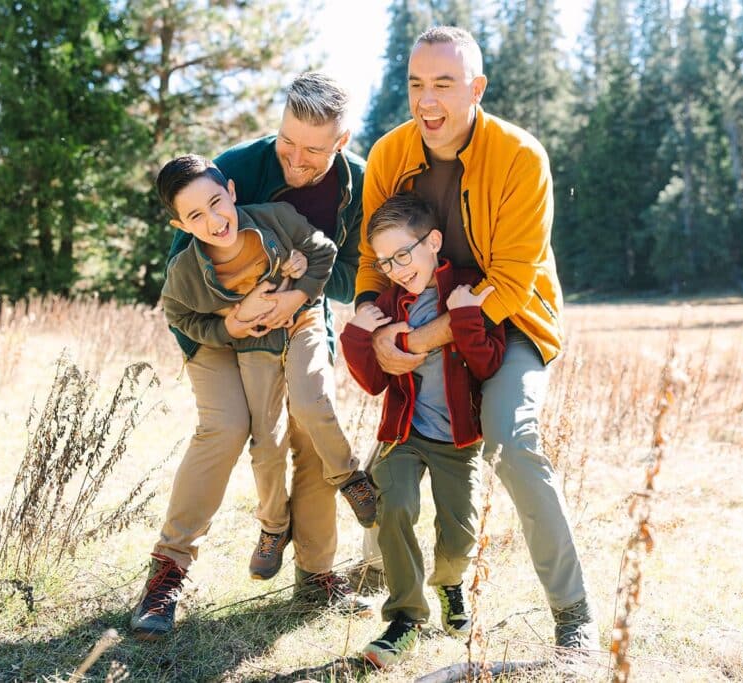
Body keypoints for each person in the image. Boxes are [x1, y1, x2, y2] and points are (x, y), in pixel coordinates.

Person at [356, 27, 600, 653]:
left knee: (513, 446)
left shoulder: (520, 157)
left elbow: (513, 283)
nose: (427, 101)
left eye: (444, 84)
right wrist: (373, 324)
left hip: (509, 323)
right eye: (416, 84)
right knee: (402, 447)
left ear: (477, 88)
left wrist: (422, 339)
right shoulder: (388, 155)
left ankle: (574, 620)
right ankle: (402, 595)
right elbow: (368, 258)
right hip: (418, 321)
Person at [130, 73, 370, 641]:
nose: (295, 158)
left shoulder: (356, 184)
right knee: (226, 427)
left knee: (311, 426)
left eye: (313, 149)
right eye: (287, 141)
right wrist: (229, 323)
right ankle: (167, 572)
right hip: (214, 324)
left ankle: (316, 571)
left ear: (343, 139)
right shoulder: (235, 167)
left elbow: (351, 268)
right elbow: (183, 271)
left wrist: (294, 296)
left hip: (296, 312)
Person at [157, 153, 376, 560]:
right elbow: (178, 313)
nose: (214, 220)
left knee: (313, 403)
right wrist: (228, 329)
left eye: (217, 203)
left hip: (301, 323)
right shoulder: (187, 270)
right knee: (267, 442)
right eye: (196, 216)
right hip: (253, 346)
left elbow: (324, 251)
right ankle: (274, 525)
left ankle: (350, 477)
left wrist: (300, 285)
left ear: (232, 191)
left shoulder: (275, 218)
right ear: (181, 227)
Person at [341, 193, 505, 667]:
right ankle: (405, 617)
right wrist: (358, 334)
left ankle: (451, 585)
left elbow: (488, 362)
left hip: (458, 440)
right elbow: (374, 381)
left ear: (433, 241)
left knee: (459, 533)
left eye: (403, 254)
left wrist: (467, 316)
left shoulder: (469, 288)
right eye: (385, 261)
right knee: (395, 508)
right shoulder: (390, 305)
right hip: (403, 434)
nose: (394, 268)